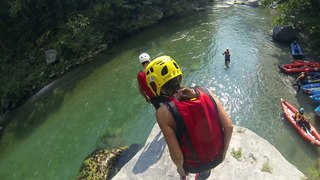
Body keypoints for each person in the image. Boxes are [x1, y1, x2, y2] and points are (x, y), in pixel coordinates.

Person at [145, 55, 233, 179]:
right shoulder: (206, 91)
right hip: (217, 157)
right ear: (179, 75)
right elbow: (228, 126)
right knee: (205, 171)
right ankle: (203, 175)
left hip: (192, 166)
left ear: (156, 85)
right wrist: (224, 152)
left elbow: (177, 156)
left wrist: (180, 170)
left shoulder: (163, 113)